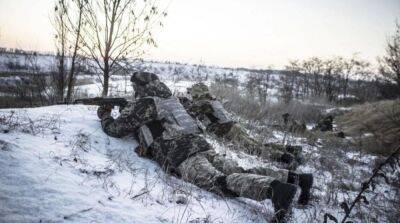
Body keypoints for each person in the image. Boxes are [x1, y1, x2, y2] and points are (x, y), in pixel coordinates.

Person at [97, 72, 313, 221]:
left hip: (181, 153)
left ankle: (274, 190)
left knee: (218, 182)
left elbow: (116, 129)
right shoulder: (172, 100)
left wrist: (105, 115)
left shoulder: (146, 103)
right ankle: (295, 178)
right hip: (202, 145)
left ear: (139, 87)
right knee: (239, 171)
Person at [182, 83, 304, 166]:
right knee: (257, 144)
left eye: (192, 93)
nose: (191, 95)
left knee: (254, 149)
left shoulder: (203, 102)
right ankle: (290, 149)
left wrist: (183, 103)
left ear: (197, 93)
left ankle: (286, 158)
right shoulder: (213, 100)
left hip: (228, 131)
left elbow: (190, 112)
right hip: (234, 126)